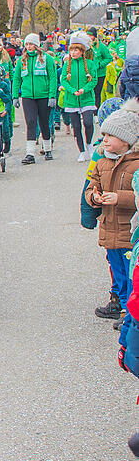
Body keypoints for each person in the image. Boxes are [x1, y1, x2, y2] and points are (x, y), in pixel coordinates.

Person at [86, 104, 139, 322]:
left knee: (131, 274)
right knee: (117, 270)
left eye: (111, 135)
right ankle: (121, 305)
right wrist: (94, 197)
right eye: (103, 134)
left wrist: (120, 198)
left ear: (126, 140)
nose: (105, 139)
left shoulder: (135, 165)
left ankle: (129, 314)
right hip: (109, 230)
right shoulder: (102, 162)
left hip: (129, 232)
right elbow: (91, 187)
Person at [13, 33, 58, 164]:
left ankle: (48, 149)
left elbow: (52, 78)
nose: (29, 47)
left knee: (44, 123)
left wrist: (52, 96)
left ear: (37, 45)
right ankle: (30, 153)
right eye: (26, 44)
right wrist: (15, 96)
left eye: (31, 44)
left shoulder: (47, 59)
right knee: (31, 122)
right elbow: (17, 79)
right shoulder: (22, 61)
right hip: (28, 96)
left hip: (44, 95)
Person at [61, 31, 99, 161]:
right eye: (72, 50)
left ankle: (89, 144)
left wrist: (84, 89)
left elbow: (94, 80)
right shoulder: (67, 64)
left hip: (86, 98)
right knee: (76, 127)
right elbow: (63, 81)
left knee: (88, 123)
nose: (73, 53)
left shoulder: (89, 64)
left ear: (82, 51)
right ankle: (81, 151)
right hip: (72, 100)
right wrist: (72, 90)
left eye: (76, 50)